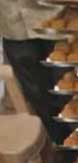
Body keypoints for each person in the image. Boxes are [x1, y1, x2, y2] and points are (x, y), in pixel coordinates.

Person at [1, 0, 70, 144]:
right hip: (14, 24)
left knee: (70, 92)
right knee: (37, 95)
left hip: (59, 18)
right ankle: (59, 147)